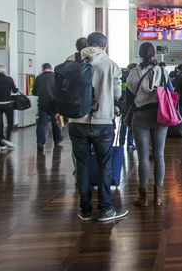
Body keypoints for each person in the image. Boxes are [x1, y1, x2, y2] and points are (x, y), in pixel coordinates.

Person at [69, 32, 127, 222]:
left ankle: (85, 210)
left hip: (77, 121)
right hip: (102, 121)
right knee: (105, 165)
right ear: (104, 46)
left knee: (82, 165)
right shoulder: (110, 65)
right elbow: (117, 93)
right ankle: (106, 210)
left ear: (87, 44)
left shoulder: (72, 60)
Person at [127, 42, 172, 207]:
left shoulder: (133, 73)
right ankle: (158, 196)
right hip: (160, 115)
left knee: (143, 157)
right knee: (159, 155)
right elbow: (169, 92)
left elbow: (129, 98)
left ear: (139, 54)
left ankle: (143, 196)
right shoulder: (162, 71)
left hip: (140, 116)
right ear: (154, 54)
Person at [32, 63, 62, 151]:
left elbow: (34, 92)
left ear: (43, 69)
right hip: (54, 103)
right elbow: (60, 90)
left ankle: (40, 142)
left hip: (42, 103)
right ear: (51, 68)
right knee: (55, 121)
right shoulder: (56, 77)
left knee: (41, 123)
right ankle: (57, 139)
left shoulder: (38, 78)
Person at [0, 65, 18, 150]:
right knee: (10, 122)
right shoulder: (9, 79)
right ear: (4, 71)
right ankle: (8, 139)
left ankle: (2, 143)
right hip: (7, 104)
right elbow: (14, 90)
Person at [121, 63, 138, 149]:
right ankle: (130, 143)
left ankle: (121, 143)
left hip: (123, 102)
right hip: (131, 104)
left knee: (123, 124)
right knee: (131, 123)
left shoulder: (122, 76)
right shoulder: (132, 78)